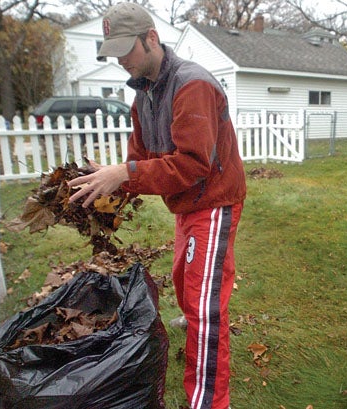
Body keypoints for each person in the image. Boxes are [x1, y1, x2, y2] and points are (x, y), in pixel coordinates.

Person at [67, 3, 246, 409]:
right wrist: (108, 182)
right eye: (113, 53)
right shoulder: (142, 96)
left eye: (125, 50)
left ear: (151, 38)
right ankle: (194, 316)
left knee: (205, 306)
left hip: (214, 199)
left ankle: (209, 401)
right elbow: (143, 160)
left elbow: (194, 164)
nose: (121, 61)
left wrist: (125, 174)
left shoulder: (191, 85)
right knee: (184, 277)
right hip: (185, 203)